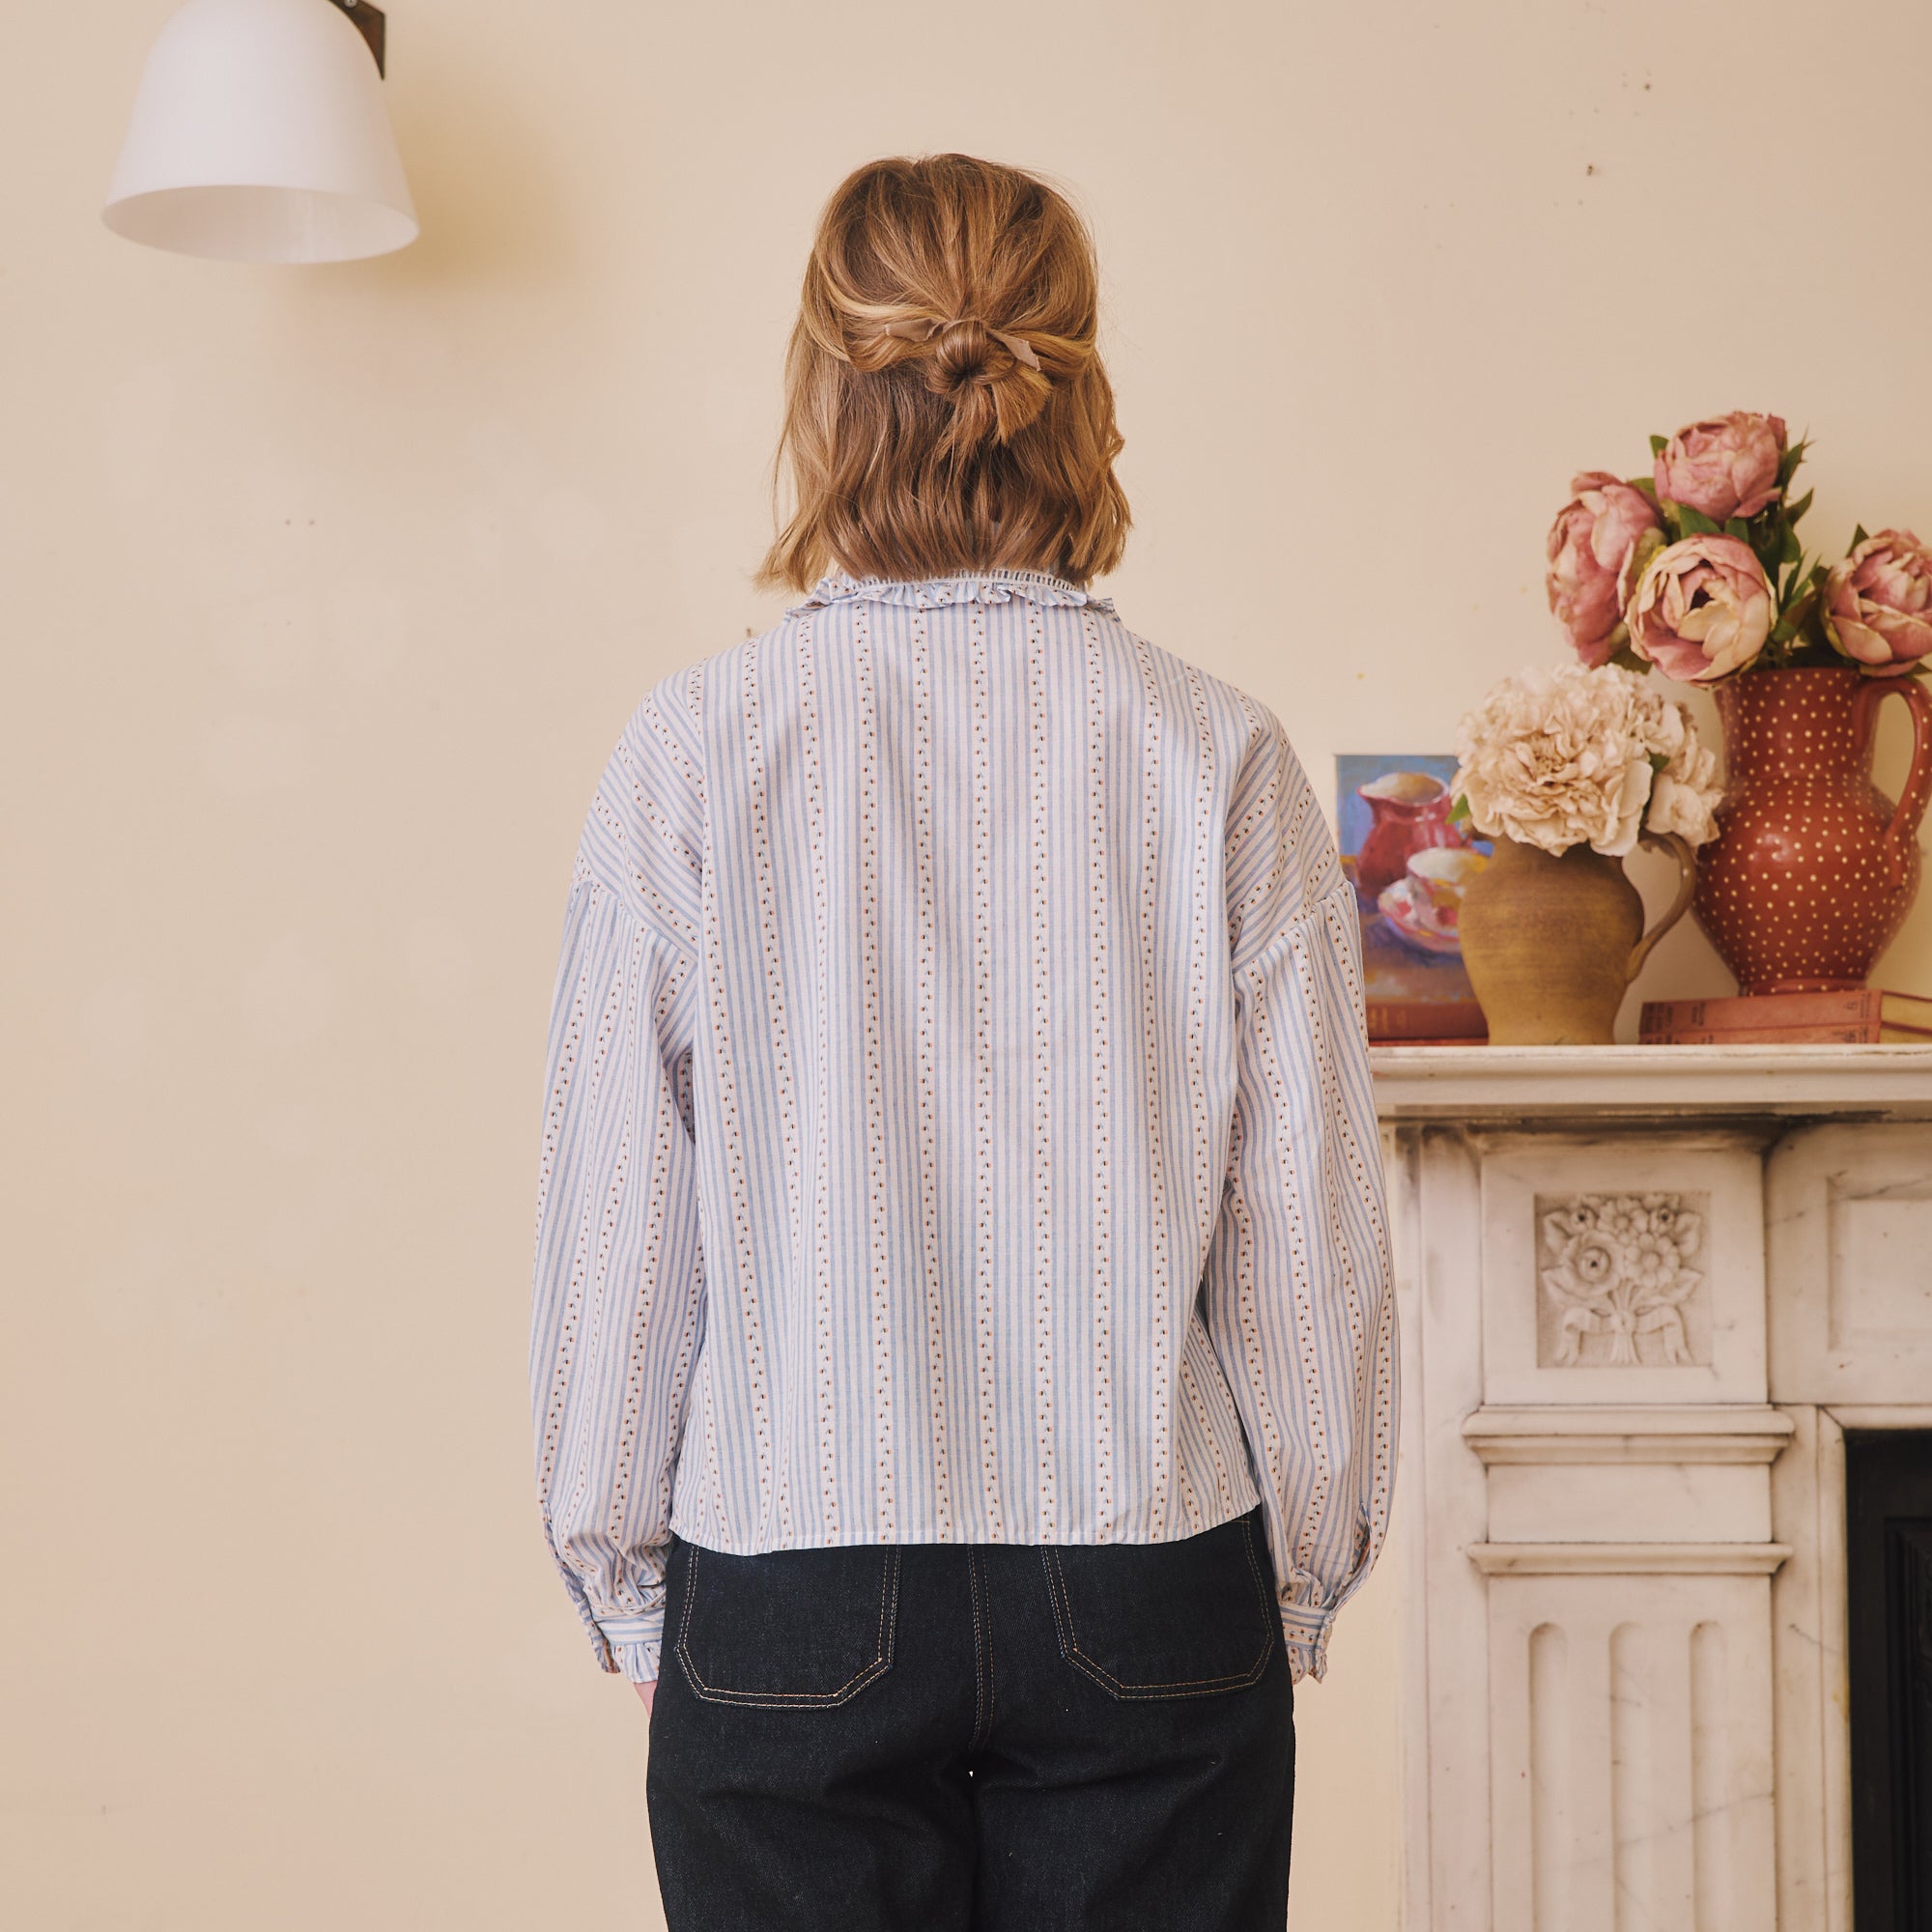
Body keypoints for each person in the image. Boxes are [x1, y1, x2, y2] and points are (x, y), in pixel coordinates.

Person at [527, 151, 1397, 1931]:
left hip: (788, 1567)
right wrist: (1300, 1577)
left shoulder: (695, 750)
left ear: (822, 392)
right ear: (1079, 390)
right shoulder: (1218, 755)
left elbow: (620, 1223)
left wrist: (623, 1579)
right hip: (1153, 1564)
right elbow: (1306, 1237)